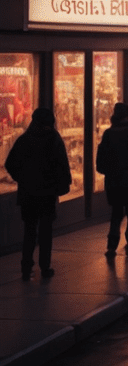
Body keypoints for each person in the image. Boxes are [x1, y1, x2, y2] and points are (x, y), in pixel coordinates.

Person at [6, 106, 71, 278]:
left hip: (28, 193)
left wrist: (22, 178)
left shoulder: (24, 139)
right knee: (45, 232)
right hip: (47, 193)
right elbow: (62, 165)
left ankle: (26, 267)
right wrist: (62, 184)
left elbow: (10, 163)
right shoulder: (54, 139)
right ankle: (44, 266)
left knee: (29, 231)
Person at [96, 102, 128, 257]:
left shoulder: (108, 134)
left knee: (116, 212)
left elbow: (101, 161)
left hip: (113, 179)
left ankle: (112, 245)